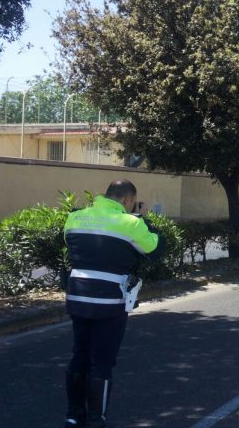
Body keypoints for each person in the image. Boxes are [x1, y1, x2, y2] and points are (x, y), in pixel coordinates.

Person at [63, 179, 165, 428]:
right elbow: (154, 249)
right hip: (109, 301)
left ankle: (74, 417)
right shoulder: (130, 223)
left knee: (79, 355)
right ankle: (96, 420)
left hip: (77, 297)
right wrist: (145, 222)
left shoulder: (74, 217)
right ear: (128, 200)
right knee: (102, 361)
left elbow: (73, 246)